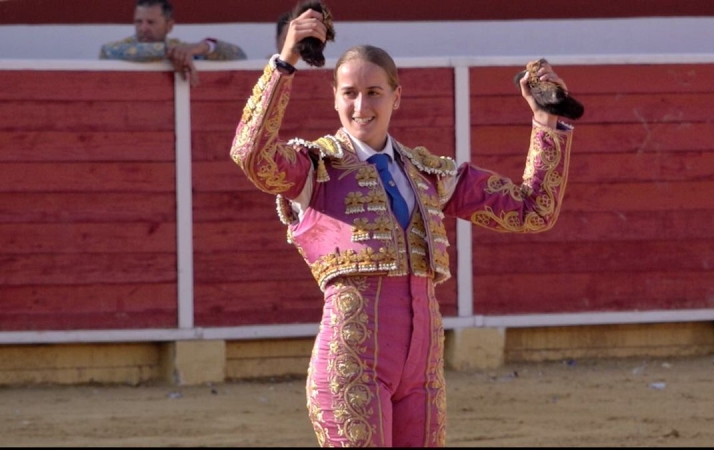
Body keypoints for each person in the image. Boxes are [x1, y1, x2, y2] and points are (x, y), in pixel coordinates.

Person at [229, 8, 574, 448]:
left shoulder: (430, 175)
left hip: (423, 372)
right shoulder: (315, 168)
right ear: (334, 98)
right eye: (349, 93)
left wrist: (546, 122)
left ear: (397, 97)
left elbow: (532, 210)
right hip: (351, 362)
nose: (361, 106)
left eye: (374, 92)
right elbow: (250, 154)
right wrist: (286, 62)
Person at [99, 0, 247, 86]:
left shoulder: (182, 49)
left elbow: (239, 55)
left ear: (169, 26)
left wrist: (203, 47)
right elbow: (106, 52)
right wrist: (169, 52)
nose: (143, 28)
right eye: (139, 22)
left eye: (151, 22)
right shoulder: (120, 48)